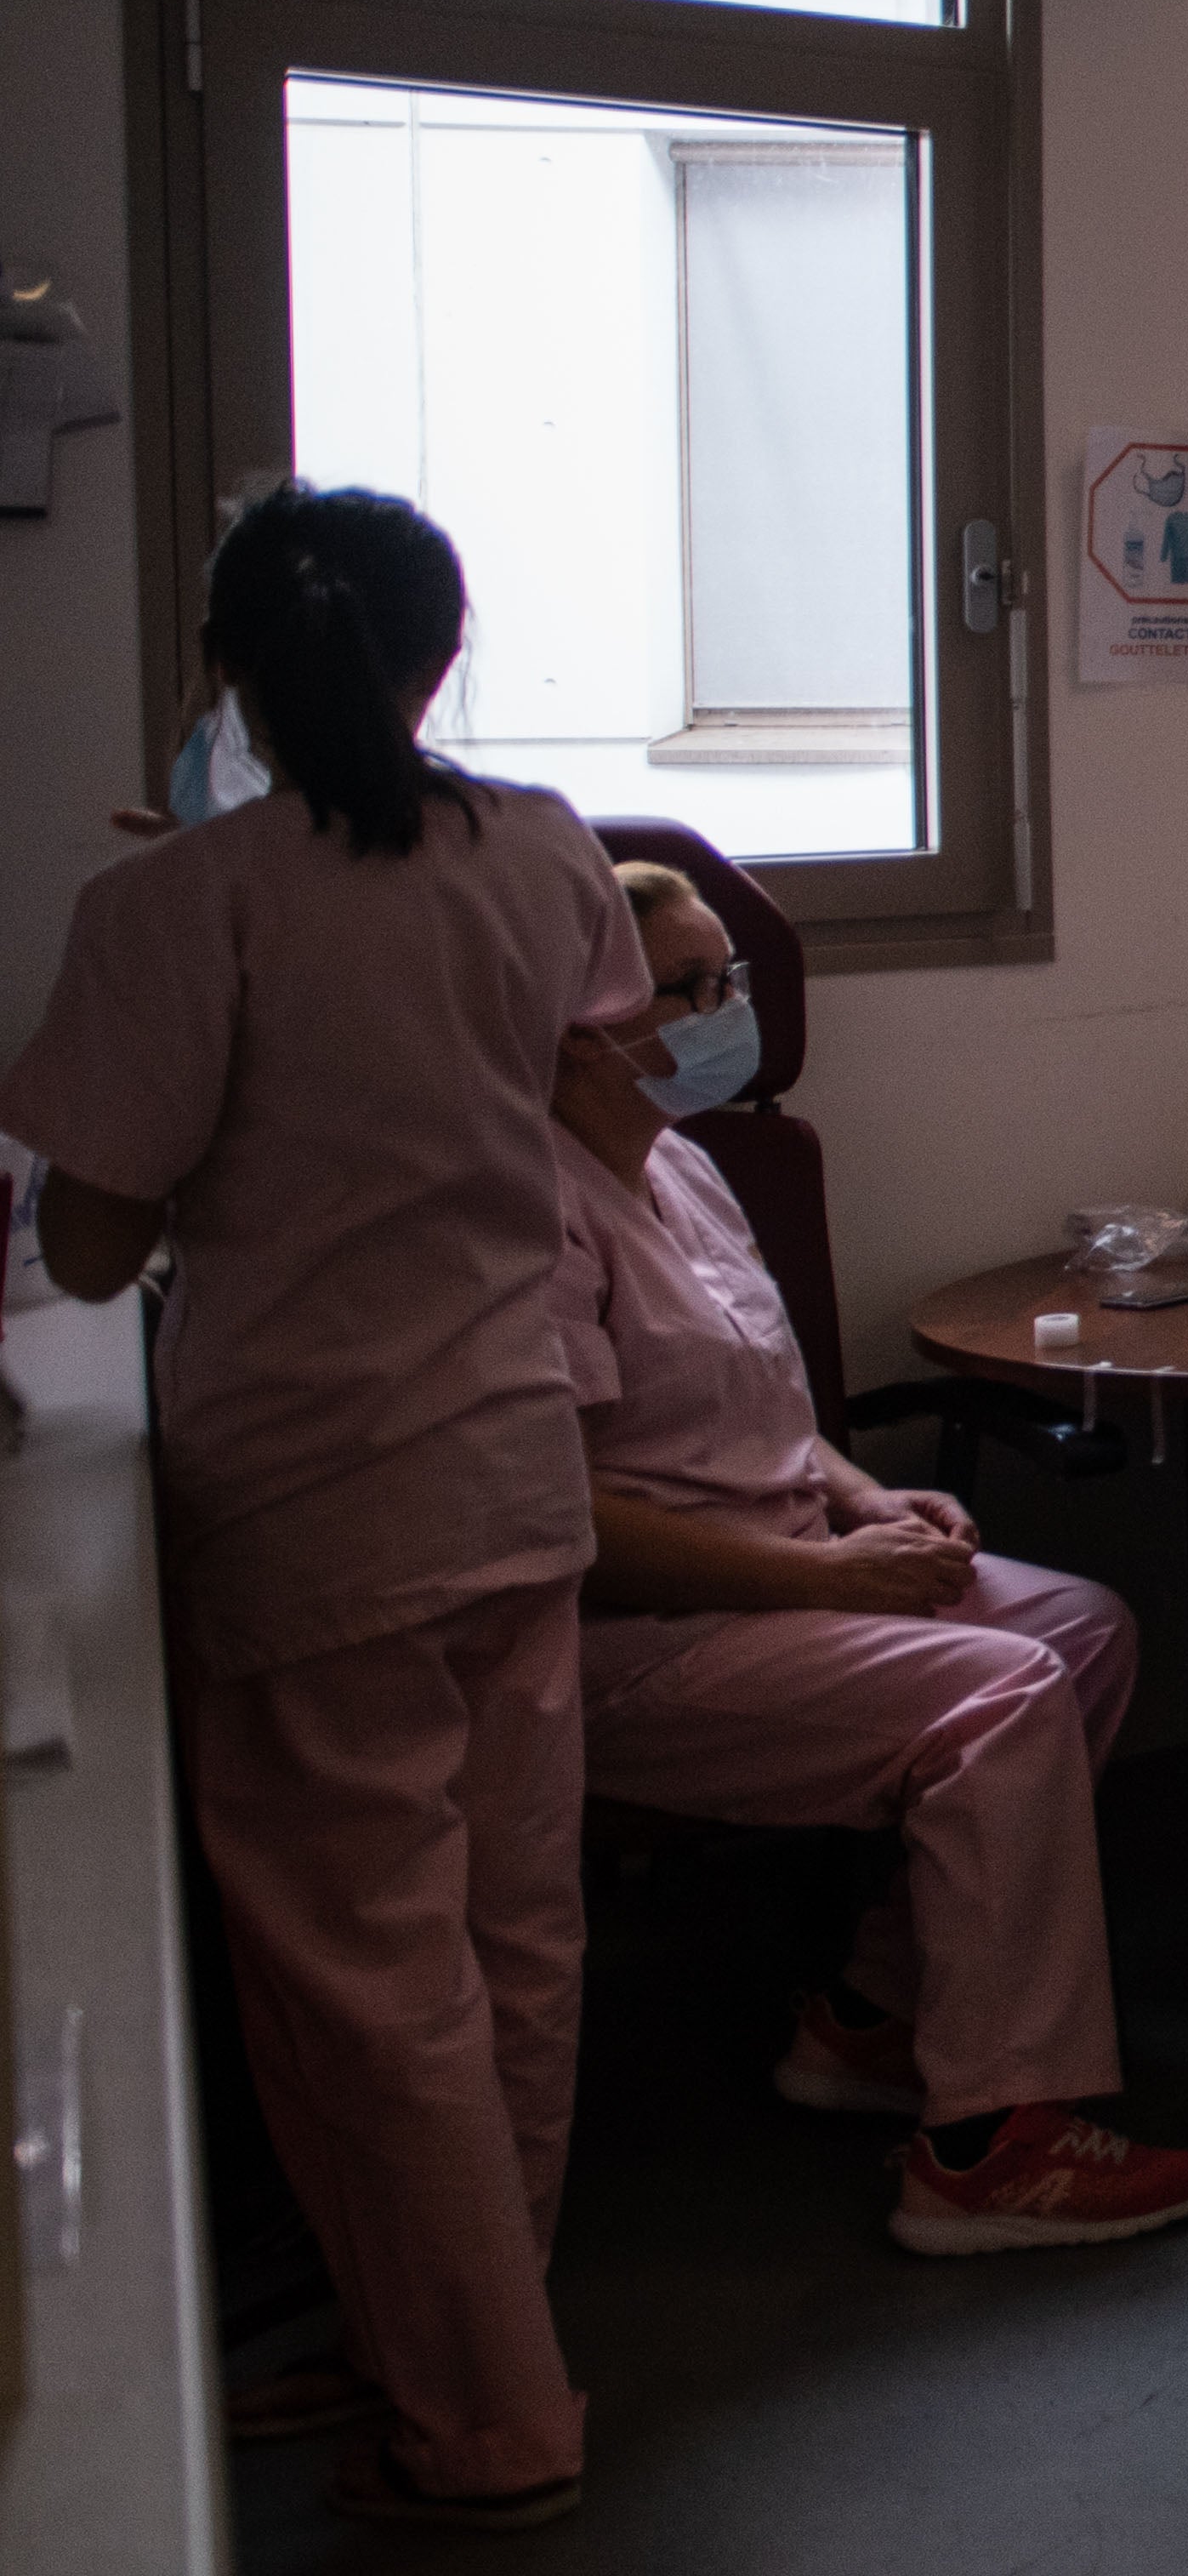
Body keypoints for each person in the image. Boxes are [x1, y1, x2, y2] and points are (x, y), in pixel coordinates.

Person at [0, 485, 644, 2533]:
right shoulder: (544, 852)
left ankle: (484, 2410)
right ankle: (466, 2331)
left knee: (373, 1987)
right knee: (508, 1939)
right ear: (441, 653)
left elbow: (89, 1250)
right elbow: (607, 1096)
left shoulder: (179, 907)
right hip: (514, 1466)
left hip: (316, 1501)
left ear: (231, 677)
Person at [547, 860, 1188, 2254]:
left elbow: (778, 1418)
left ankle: (878, 2016)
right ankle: (987, 2143)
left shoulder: (688, 1163)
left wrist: (870, 1505)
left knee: (1084, 1629)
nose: (727, 1012)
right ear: (578, 1026)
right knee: (999, 1692)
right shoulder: (526, 1212)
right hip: (638, 1637)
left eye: (729, 980)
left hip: (794, 1567)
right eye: (690, 990)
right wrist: (827, 1579)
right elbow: (568, 1523)